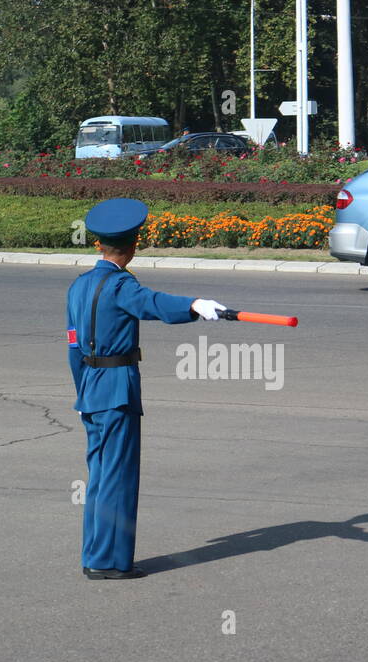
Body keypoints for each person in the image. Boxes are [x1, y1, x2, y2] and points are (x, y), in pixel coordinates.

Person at [66, 198, 225, 580]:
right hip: (118, 388)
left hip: (90, 387)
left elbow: (73, 344)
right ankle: (108, 563)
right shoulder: (121, 284)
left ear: (99, 244)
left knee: (101, 475)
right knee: (117, 478)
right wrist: (195, 305)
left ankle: (96, 554)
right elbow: (151, 304)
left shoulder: (79, 285)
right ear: (134, 245)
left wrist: (84, 389)